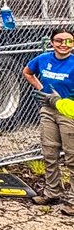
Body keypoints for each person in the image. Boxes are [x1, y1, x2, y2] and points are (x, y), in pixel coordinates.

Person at [23, 27, 74, 207]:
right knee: (49, 153)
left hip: (69, 113)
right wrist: (41, 90)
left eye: (69, 41)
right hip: (48, 110)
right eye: (59, 40)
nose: (64, 44)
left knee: (71, 157)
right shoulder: (43, 59)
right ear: (52, 43)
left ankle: (73, 201)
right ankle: (52, 193)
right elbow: (27, 72)